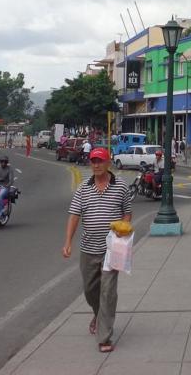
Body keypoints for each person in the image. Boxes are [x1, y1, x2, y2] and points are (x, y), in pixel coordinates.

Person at [63, 147, 131, 354]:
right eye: (93, 161)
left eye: (100, 161)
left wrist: (123, 229)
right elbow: (74, 216)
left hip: (112, 249)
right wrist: (68, 242)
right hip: (88, 248)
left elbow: (127, 213)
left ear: (108, 163)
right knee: (90, 291)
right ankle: (98, 315)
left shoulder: (121, 187)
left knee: (108, 292)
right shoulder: (83, 188)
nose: (96, 165)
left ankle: (104, 337)